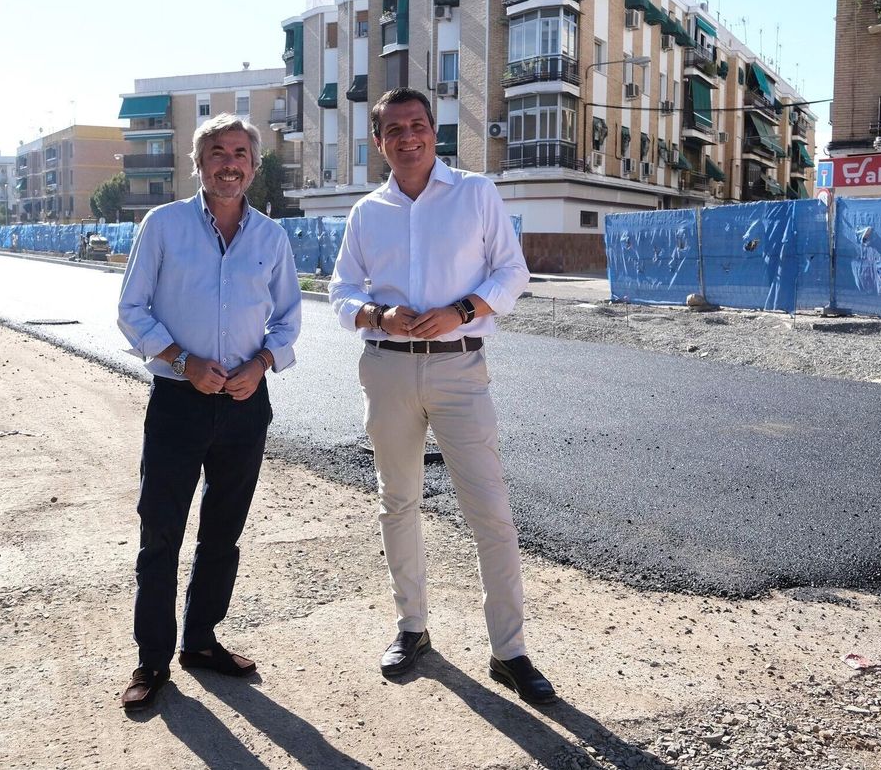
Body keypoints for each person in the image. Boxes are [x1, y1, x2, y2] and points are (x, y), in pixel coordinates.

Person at [328, 88, 554, 705]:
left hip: (460, 370)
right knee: (397, 503)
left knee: (491, 513)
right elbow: (340, 292)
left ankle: (509, 652)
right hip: (388, 370)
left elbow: (512, 272)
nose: (408, 137)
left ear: (434, 132)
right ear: (378, 143)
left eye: (418, 125)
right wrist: (378, 315)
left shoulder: (476, 193)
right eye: (394, 129)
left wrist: (462, 311)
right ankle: (412, 629)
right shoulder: (366, 212)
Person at [115, 113, 302, 711]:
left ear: (253, 164)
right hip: (178, 402)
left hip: (247, 406)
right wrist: (180, 358)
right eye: (218, 151)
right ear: (199, 163)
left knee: (223, 533)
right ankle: (152, 660)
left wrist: (265, 361)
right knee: (161, 533)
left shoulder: (271, 237)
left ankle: (201, 641)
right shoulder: (163, 225)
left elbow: (289, 317)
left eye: (242, 152)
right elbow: (132, 308)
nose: (231, 161)